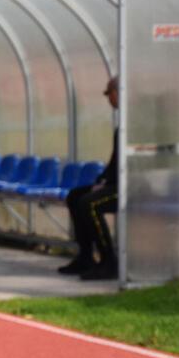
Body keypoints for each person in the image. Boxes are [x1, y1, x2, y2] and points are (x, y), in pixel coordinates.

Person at [59, 75, 120, 281]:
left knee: (89, 204)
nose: (109, 99)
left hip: (132, 187)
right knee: (75, 196)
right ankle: (85, 257)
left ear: (118, 93)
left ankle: (109, 261)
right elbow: (114, 162)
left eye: (109, 94)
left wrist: (106, 182)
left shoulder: (135, 123)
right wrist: (101, 181)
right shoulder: (122, 125)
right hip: (116, 184)